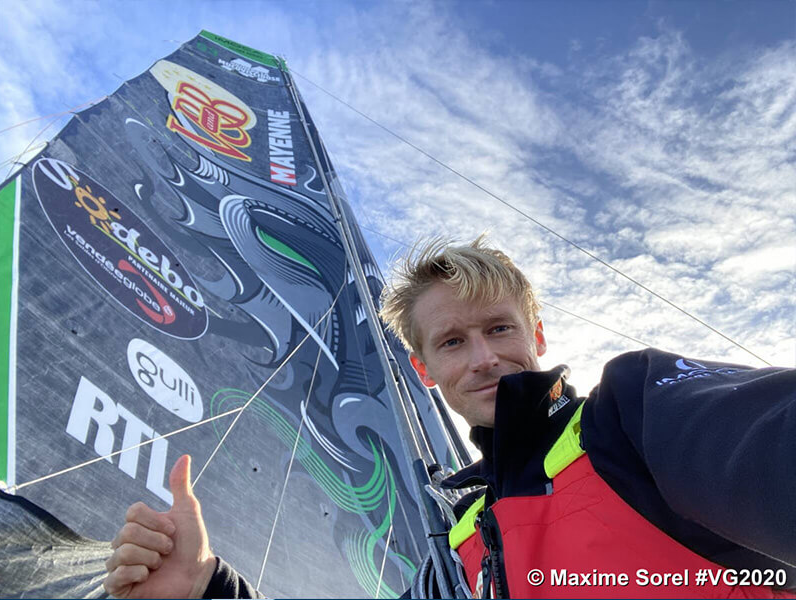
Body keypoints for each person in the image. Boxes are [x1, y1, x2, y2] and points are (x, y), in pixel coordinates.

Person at [104, 237, 796, 598]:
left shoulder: (634, 418)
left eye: (500, 329)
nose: (484, 358)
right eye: (453, 342)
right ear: (423, 369)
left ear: (538, 337)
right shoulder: (459, 544)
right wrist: (201, 587)